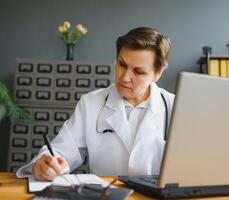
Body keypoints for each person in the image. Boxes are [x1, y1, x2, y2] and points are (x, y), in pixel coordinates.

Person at [16, 27, 174, 181]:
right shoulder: (90, 103)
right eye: (122, 64)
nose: (125, 77)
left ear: (157, 74)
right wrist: (47, 165)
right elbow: (61, 151)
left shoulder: (175, 107)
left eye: (138, 72)